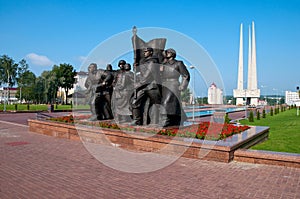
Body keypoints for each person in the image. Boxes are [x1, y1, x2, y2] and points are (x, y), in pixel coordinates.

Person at [131, 47, 161, 126]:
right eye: (144, 52)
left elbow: (148, 75)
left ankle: (155, 121)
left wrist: (138, 84)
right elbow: (139, 72)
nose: (144, 53)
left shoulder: (153, 61)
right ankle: (137, 120)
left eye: (146, 51)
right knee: (135, 102)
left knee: (155, 104)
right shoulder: (143, 62)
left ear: (150, 52)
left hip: (151, 85)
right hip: (143, 86)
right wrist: (135, 67)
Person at [160, 48, 190, 127]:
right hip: (164, 84)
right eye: (166, 52)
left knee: (166, 102)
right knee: (174, 104)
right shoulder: (164, 64)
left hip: (173, 84)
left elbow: (186, 75)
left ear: (173, 54)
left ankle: (166, 119)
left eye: (168, 52)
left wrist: (182, 86)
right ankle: (178, 119)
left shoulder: (178, 63)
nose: (167, 53)